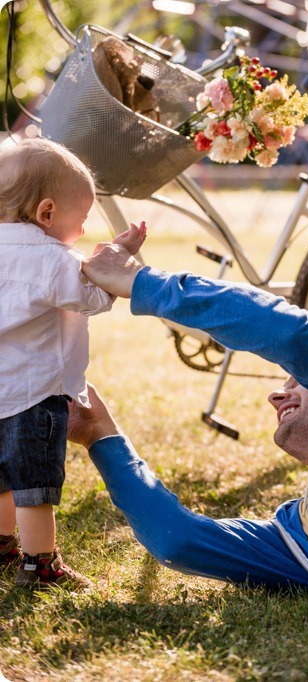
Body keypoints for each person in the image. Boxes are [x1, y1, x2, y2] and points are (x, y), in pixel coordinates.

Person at [68, 242, 308, 653]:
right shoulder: (303, 534)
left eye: (292, 381)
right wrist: (100, 435)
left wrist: (141, 282)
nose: (275, 394)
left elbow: (288, 333)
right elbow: (178, 540)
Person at [0, 138, 147, 589]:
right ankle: (40, 565)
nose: (82, 232)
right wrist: (115, 260)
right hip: (32, 393)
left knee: (2, 478)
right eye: (80, 220)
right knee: (32, 485)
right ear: (47, 213)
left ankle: (2, 546)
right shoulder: (52, 258)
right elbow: (95, 296)